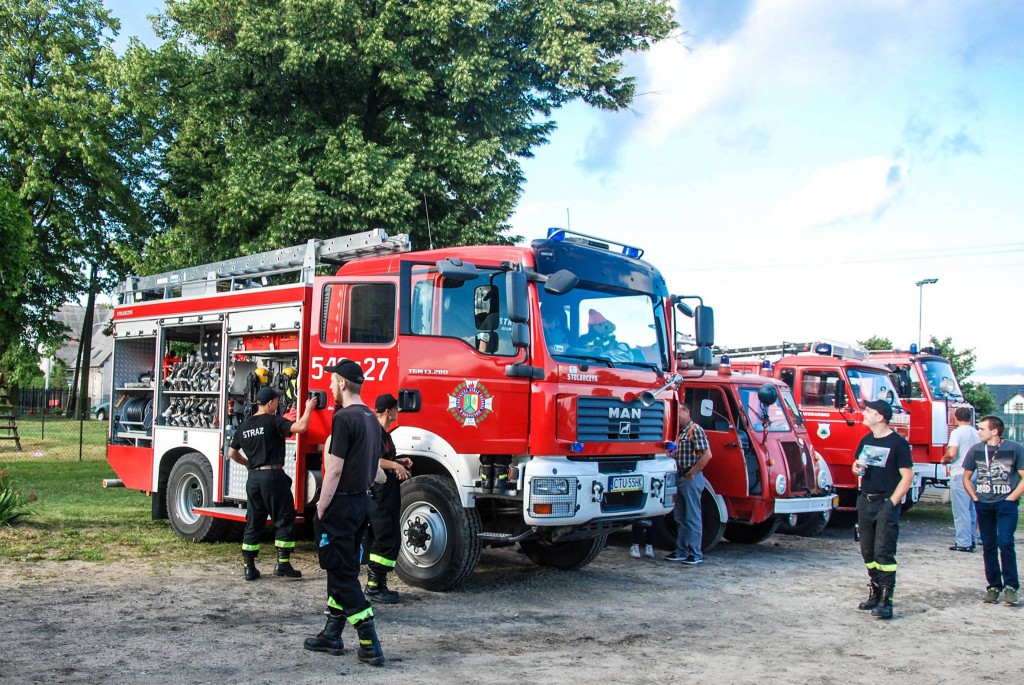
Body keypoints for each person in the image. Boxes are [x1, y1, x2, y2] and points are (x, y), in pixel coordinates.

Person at [303, 360, 386, 666]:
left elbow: (334, 470)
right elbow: (377, 471)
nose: (329, 386)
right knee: (345, 569)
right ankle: (331, 634)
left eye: (332, 381)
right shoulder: (371, 418)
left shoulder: (344, 418)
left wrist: (321, 507)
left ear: (341, 384)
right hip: (362, 503)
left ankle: (369, 642)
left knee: (341, 574)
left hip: (341, 504)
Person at [228, 386, 316, 581]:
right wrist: (308, 408)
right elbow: (300, 428)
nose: (278, 405)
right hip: (273, 477)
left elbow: (231, 453)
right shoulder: (273, 420)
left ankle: (249, 567)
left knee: (253, 520)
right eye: (277, 401)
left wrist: (249, 463)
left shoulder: (245, 425)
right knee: (284, 518)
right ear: (270, 403)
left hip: (254, 479)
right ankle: (282, 564)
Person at [851, 399, 914, 620]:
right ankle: (875, 592)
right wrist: (856, 467)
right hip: (865, 500)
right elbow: (856, 464)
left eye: (868, 411)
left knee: (884, 551)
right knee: (868, 552)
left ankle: (887, 601)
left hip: (885, 502)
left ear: (880, 417)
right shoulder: (866, 440)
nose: (864, 414)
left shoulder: (898, 443)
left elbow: (907, 476)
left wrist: (892, 503)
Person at [961, 415, 1024, 606]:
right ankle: (994, 586)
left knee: (1005, 542)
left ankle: (1011, 587)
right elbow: (966, 477)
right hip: (984, 504)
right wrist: (975, 497)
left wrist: (1012, 498)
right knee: (988, 545)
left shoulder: (1014, 448)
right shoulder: (976, 450)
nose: (978, 432)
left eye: (981, 428)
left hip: (1006, 504)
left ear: (994, 431)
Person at [364, 393, 413, 603]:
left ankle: (379, 582)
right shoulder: (375, 432)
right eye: (395, 408)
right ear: (388, 411)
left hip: (387, 491)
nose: (397, 412)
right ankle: (374, 586)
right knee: (384, 536)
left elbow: (383, 458)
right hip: (380, 492)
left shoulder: (383, 432)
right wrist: (395, 465)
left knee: (389, 535)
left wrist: (398, 460)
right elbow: (372, 459)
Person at [666, 403, 712, 565]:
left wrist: (692, 472)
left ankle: (695, 553)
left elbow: (707, 455)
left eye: (679, 411)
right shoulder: (679, 432)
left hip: (689, 477)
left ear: (687, 411)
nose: (677, 415)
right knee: (680, 516)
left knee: (692, 516)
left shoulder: (695, 430)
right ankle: (681, 550)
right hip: (679, 476)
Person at [943, 407, 980, 552]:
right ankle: (970, 538)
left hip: (960, 471)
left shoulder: (956, 432)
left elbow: (952, 452)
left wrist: (944, 459)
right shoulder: (976, 432)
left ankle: (963, 542)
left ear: (955, 417)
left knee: (960, 509)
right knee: (971, 508)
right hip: (974, 472)